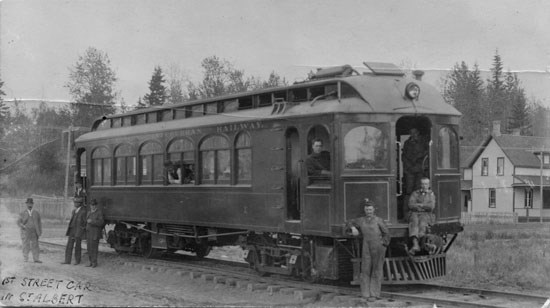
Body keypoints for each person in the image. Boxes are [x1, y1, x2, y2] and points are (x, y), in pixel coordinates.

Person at [346, 198, 390, 302]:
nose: (368, 212)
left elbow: (387, 234)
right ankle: (365, 294)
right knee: (365, 269)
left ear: (374, 210)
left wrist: (383, 244)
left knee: (376, 270)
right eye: (366, 210)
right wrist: (353, 228)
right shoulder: (361, 220)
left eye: (370, 209)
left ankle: (374, 294)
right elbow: (349, 222)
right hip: (366, 246)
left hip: (378, 246)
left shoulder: (379, 220)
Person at [408, 177, 436, 255]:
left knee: (422, 223)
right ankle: (415, 244)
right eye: (422, 184)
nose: (424, 186)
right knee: (413, 221)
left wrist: (419, 205)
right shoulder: (415, 193)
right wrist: (423, 206)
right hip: (415, 213)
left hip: (427, 214)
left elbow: (431, 207)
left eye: (426, 184)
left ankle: (422, 244)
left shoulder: (431, 194)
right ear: (420, 184)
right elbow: (410, 204)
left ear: (428, 185)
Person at [402, 128, 429, 195]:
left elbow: (427, 152)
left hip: (420, 169)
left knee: (419, 187)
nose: (413, 135)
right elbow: (404, 155)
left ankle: (418, 204)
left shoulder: (423, 142)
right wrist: (408, 165)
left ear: (418, 133)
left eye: (415, 133)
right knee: (409, 188)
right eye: (411, 133)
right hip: (409, 169)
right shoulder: (407, 143)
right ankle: (409, 203)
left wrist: (418, 157)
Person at [62, 197, 87, 265]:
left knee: (78, 246)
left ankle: (77, 261)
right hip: (72, 230)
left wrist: (81, 230)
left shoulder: (83, 212)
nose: (75, 204)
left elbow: (85, 222)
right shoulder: (74, 211)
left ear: (80, 204)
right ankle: (67, 260)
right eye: (75, 203)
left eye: (77, 203)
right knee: (69, 246)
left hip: (78, 231)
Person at [17, 198, 42, 263]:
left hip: (34, 232)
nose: (29, 205)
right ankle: (25, 258)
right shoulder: (22, 213)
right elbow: (18, 222)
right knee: (26, 245)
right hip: (26, 231)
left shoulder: (36, 213)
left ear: (33, 204)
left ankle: (36, 259)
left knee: (35, 245)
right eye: (28, 203)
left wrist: (39, 232)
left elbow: (39, 223)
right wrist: (23, 226)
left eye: (31, 203)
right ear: (26, 204)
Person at [86, 199, 104, 268]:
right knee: (89, 248)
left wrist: (92, 221)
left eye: (94, 205)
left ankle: (94, 262)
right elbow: (86, 222)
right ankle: (90, 262)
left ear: (96, 205)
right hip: (89, 233)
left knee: (94, 248)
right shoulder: (89, 213)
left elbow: (101, 222)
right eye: (91, 205)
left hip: (95, 233)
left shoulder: (99, 213)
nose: (92, 206)